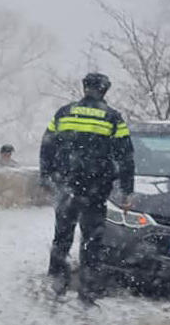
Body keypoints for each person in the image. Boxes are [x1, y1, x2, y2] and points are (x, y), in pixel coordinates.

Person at [39, 73, 135, 303]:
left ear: (85, 88)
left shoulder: (64, 112)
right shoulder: (112, 118)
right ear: (104, 90)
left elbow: (47, 146)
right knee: (92, 239)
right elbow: (125, 157)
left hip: (66, 186)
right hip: (96, 189)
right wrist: (127, 190)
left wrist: (46, 176)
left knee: (62, 236)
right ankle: (88, 288)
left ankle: (56, 282)